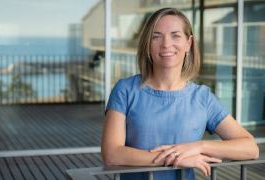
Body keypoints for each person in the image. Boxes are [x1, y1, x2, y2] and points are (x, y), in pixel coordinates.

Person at [101, 8, 259, 180]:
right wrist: (175, 158)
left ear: (188, 44)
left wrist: (199, 147)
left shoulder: (202, 98)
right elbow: (111, 154)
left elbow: (251, 148)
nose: (166, 44)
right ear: (147, 45)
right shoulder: (125, 89)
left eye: (175, 35)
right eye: (157, 36)